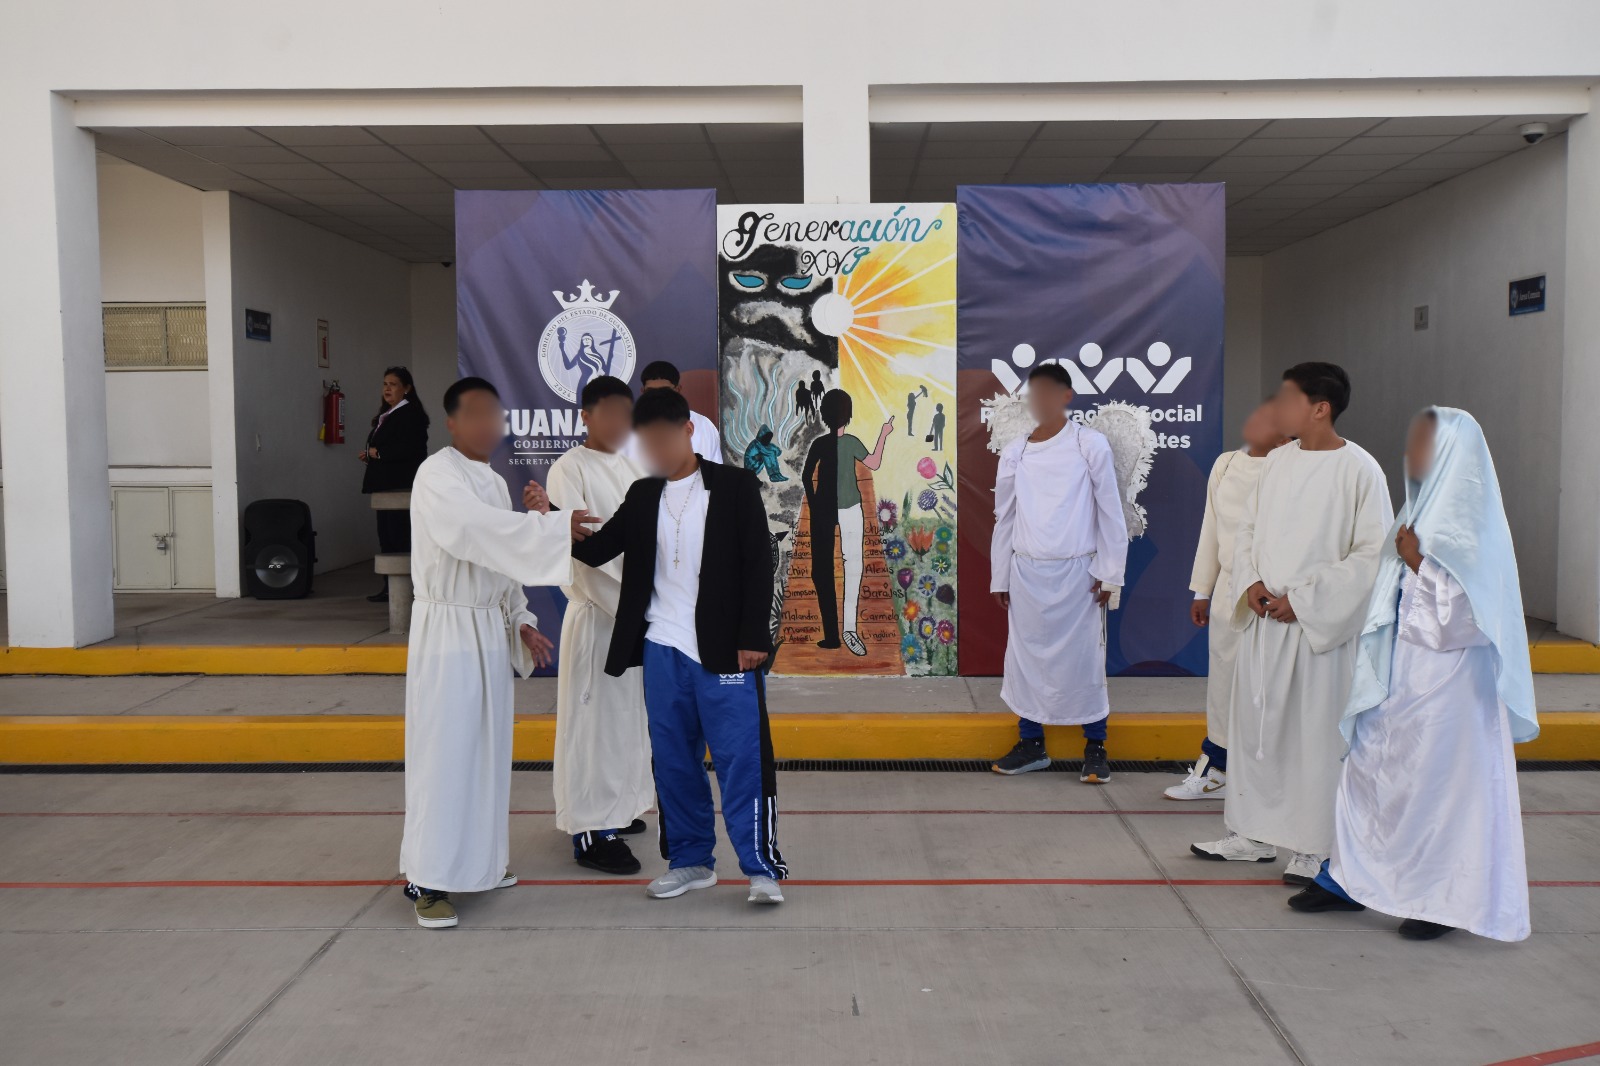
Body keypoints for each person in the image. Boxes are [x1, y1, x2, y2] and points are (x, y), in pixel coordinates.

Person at [1289, 408, 1538, 942]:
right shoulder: (1417, 512)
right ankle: (1349, 879)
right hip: (1398, 674)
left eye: (1424, 443)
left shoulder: (1473, 524)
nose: (1411, 453)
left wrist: (1418, 563)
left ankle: (1438, 899)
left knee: (1437, 791)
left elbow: (1472, 620)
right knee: (1369, 772)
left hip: (1451, 686)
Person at [398, 376, 599, 929]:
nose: (489, 425)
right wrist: (552, 525)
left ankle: (479, 864)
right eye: (477, 414)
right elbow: (472, 532)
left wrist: (521, 622)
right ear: (452, 422)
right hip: (448, 632)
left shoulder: (490, 481)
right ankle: (427, 879)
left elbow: (501, 562)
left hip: (487, 632)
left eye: (495, 415)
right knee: (445, 756)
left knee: (485, 754)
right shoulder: (436, 475)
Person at [572, 387, 787, 905]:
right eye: (647, 444)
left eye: (664, 440)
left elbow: (760, 564)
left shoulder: (734, 486)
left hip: (726, 651)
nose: (657, 452)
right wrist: (554, 521)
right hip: (662, 649)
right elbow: (598, 551)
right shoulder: (643, 494)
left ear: (688, 431)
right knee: (673, 762)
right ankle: (691, 862)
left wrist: (753, 637)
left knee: (742, 761)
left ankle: (761, 869)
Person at [1191, 362, 1391, 886]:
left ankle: (1312, 847)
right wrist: (1251, 582)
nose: (1276, 408)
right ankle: (1250, 834)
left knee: (1312, 741)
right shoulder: (1277, 462)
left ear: (1320, 408)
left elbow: (1372, 555)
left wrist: (1303, 601)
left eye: (1288, 398)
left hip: (1316, 632)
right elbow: (1247, 532)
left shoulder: (1360, 470)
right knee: (1257, 734)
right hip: (1265, 625)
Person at [990, 363, 1128, 783]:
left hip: (1080, 576)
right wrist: (1000, 576)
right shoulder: (1016, 452)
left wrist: (1110, 573)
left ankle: (1096, 747)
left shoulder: (1090, 445)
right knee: (1026, 661)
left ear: (1067, 396)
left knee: (1086, 661)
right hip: (1026, 575)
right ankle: (1031, 744)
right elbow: (1005, 516)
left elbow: (1110, 511)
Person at [544, 376, 653, 876]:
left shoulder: (634, 467)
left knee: (626, 723)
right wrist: (631, 605)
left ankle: (619, 807)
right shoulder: (569, 469)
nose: (617, 423)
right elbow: (580, 550)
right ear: (586, 416)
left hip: (636, 616)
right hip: (599, 614)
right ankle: (590, 830)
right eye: (607, 413)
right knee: (593, 727)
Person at [1166, 402, 1291, 801]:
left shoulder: (1292, 467)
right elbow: (1212, 528)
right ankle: (1216, 769)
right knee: (1224, 685)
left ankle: (1265, 777)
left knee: (1269, 689)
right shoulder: (1226, 464)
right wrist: (1202, 590)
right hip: (1228, 593)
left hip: (1272, 596)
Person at [802, 390, 893, 657]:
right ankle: (837, 634)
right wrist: (884, 434)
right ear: (847, 414)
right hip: (833, 510)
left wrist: (884, 434)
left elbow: (807, 476)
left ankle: (846, 632)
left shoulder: (837, 443)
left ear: (825, 415)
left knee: (849, 568)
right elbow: (873, 462)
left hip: (848, 509)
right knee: (834, 569)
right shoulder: (826, 443)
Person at [360, 366, 430, 603]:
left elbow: (411, 449)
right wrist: (371, 456)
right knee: (386, 537)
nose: (387, 389)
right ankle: (390, 587)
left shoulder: (410, 414)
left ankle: (408, 588)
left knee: (399, 537)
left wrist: (379, 453)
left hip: (399, 487)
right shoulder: (388, 413)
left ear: (406, 388)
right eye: (385, 384)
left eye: (393, 384)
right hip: (384, 486)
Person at [622, 360, 723, 466]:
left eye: (665, 391)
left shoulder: (704, 425)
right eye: (651, 391)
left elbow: (715, 471)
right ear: (643, 392)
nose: (658, 397)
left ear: (678, 390)